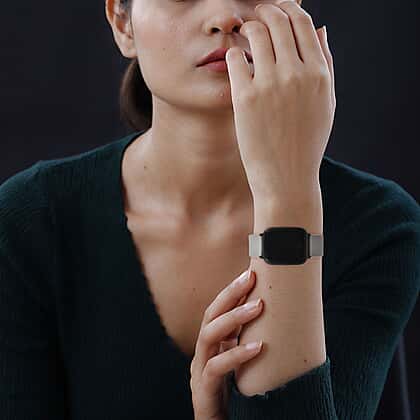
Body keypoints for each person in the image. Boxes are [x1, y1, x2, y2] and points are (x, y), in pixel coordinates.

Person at [0, 1, 419, 419]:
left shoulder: (380, 226)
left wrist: (286, 197)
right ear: (123, 23)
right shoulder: (28, 223)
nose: (224, 16)